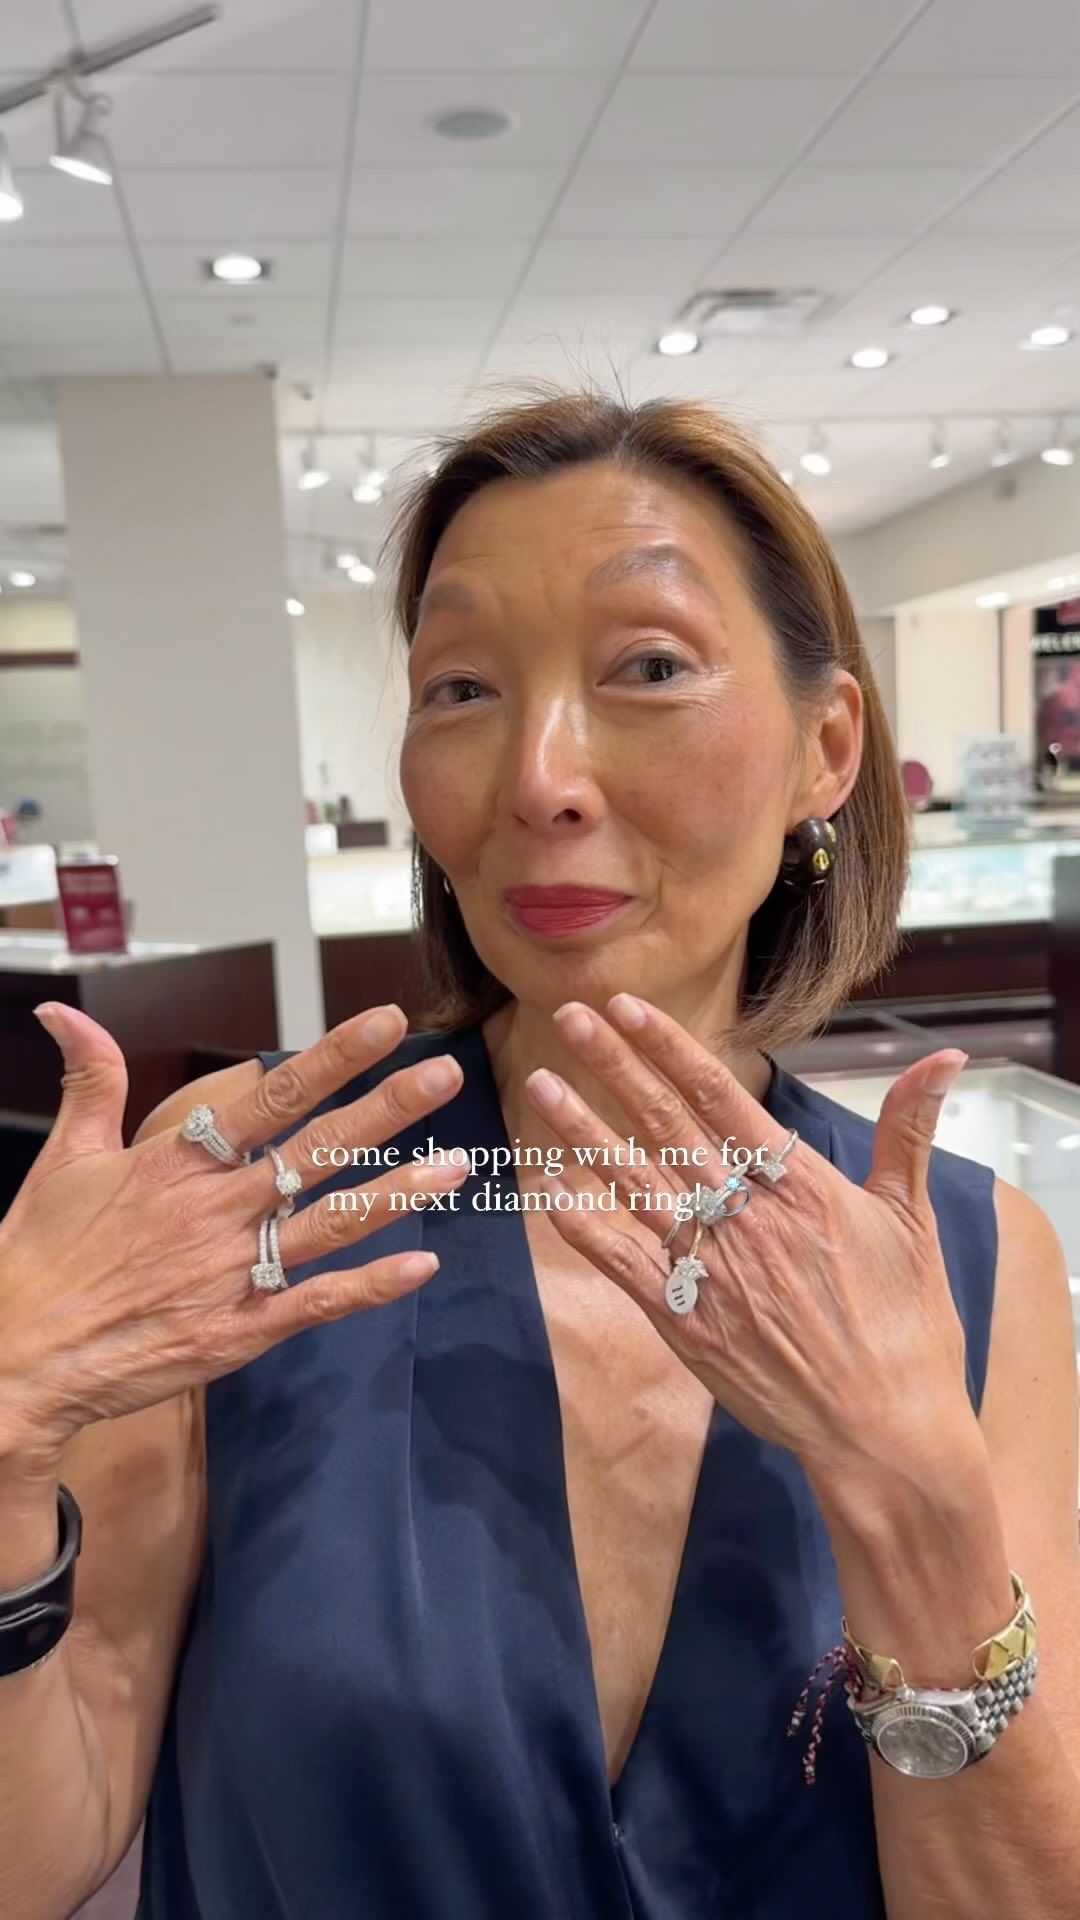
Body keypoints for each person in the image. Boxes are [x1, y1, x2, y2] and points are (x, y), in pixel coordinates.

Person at [1, 386, 1078, 1920]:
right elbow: (37, 1853)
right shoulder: (247, 1194)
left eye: (651, 667)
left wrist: (913, 1506)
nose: (537, 780)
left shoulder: (969, 1267)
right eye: (461, 687)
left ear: (826, 746)